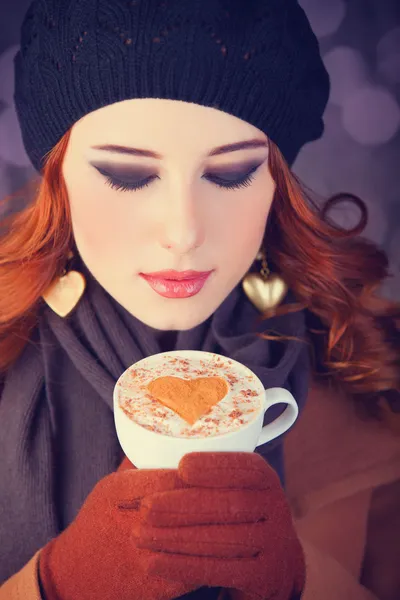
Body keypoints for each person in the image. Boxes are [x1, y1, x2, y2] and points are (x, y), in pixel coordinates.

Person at [0, 0, 399, 598]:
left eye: (231, 174)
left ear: (275, 187)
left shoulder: (364, 359)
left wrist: (306, 581)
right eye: (129, 177)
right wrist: (52, 583)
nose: (184, 232)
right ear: (59, 183)